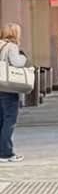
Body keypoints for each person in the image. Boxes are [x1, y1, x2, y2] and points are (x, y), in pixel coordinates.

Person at [0, 23, 28, 161]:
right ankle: (6, 153)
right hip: (7, 87)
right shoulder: (11, 46)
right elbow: (17, 63)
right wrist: (23, 57)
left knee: (1, 120)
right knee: (9, 119)